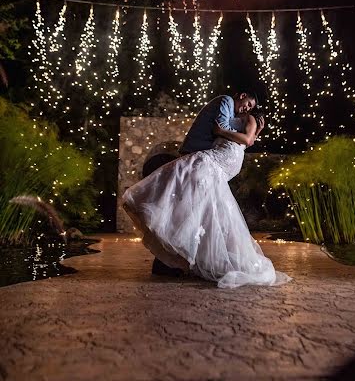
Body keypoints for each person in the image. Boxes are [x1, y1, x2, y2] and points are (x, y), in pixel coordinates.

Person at [122, 91, 291, 289]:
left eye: (251, 108)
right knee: (196, 209)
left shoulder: (250, 119)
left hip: (215, 165)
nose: (247, 109)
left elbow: (245, 139)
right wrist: (228, 132)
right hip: (212, 162)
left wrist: (224, 132)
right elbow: (238, 134)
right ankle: (180, 259)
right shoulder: (228, 102)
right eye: (247, 104)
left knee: (193, 207)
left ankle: (181, 258)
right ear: (242, 95)